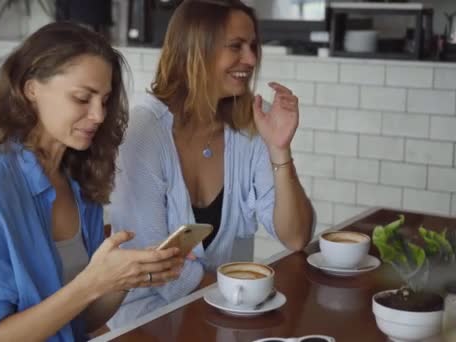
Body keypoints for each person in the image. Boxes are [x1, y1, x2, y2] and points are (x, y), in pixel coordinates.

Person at [0, 22, 185, 342]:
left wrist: (123, 279)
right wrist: (91, 283)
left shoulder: (77, 178)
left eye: (104, 101)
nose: (99, 115)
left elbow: (79, 323)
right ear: (30, 88)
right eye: (82, 98)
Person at [107, 0, 314, 328]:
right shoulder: (143, 132)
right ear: (194, 51)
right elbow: (159, 269)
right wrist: (245, 300)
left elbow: (296, 237)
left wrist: (280, 149)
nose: (250, 59)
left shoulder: (248, 127)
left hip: (227, 315)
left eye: (253, 46)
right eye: (235, 47)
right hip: (150, 323)